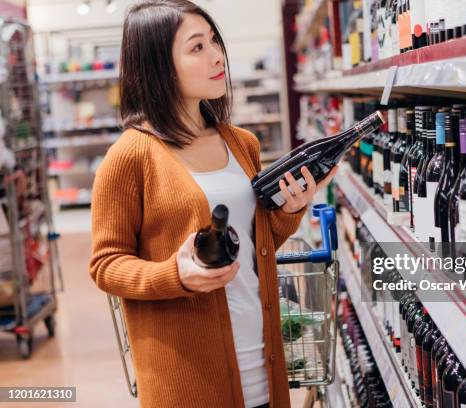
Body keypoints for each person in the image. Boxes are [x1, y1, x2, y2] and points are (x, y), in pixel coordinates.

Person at [88, 1, 338, 407]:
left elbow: (257, 251)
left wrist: (289, 213)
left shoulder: (242, 143)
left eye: (215, 40)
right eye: (197, 47)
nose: (217, 55)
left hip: (263, 366)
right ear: (158, 66)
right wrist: (176, 276)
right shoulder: (129, 157)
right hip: (188, 381)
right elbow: (106, 265)